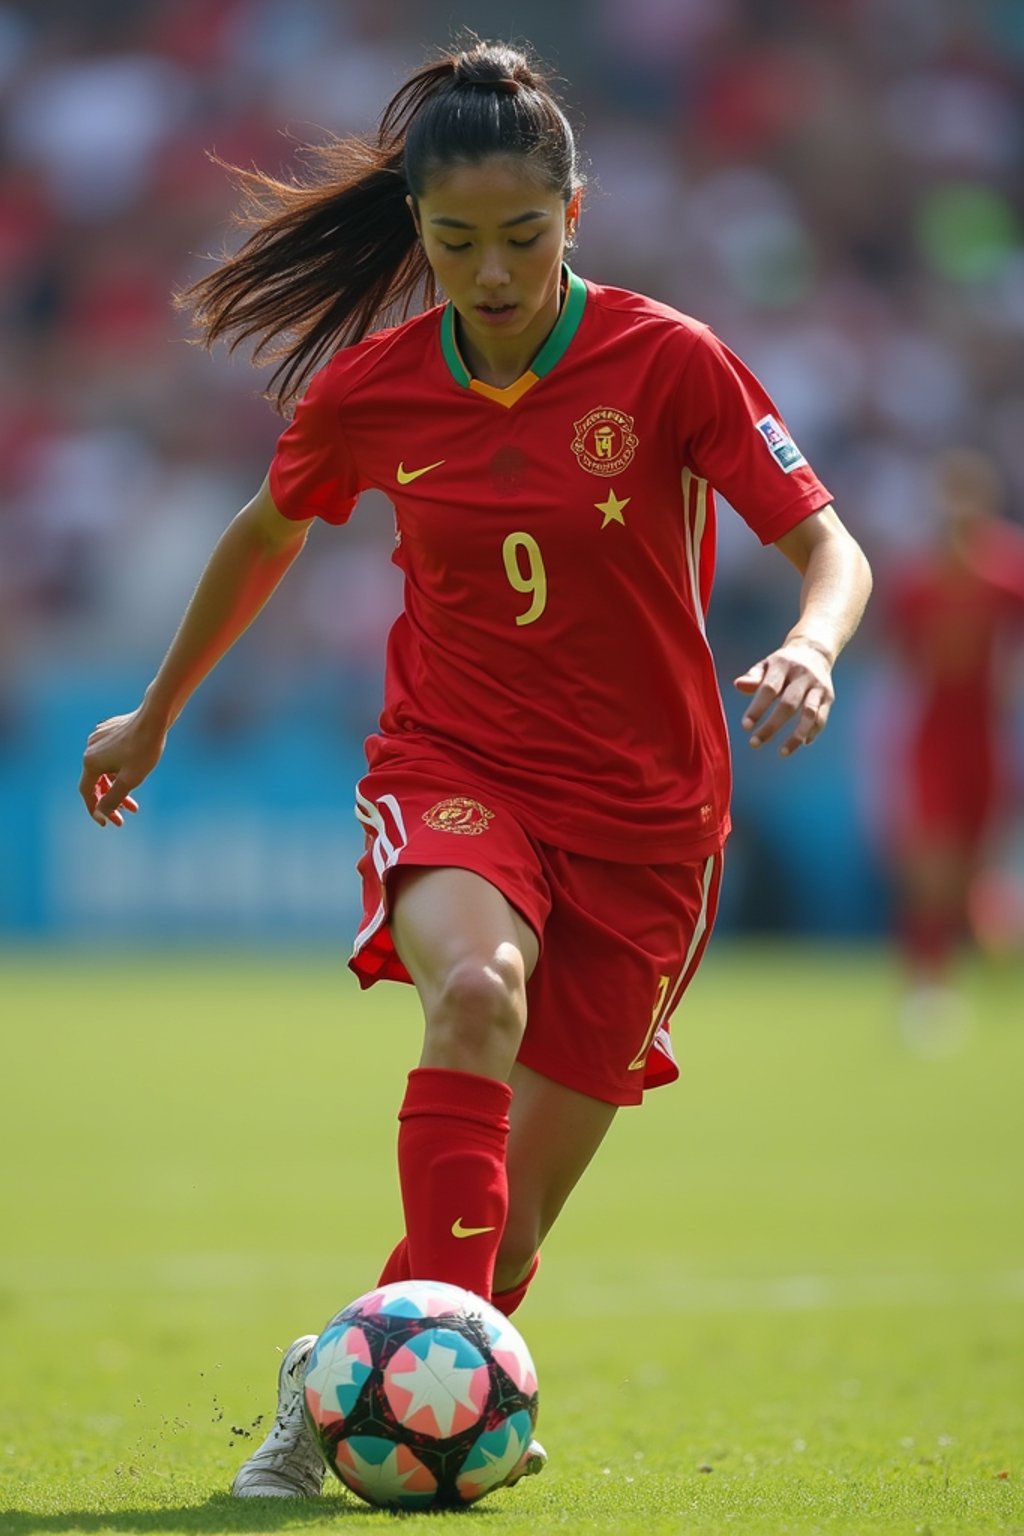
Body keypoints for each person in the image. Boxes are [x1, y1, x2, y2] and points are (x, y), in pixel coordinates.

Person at [78, 40, 872, 1500]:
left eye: (520, 237)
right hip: (461, 767)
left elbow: (830, 545)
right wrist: (156, 711)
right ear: (418, 234)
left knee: (499, 1248)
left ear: (575, 215)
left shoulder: (670, 361)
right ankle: (385, 1423)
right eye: (455, 243)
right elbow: (266, 535)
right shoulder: (375, 391)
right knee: (475, 991)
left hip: (651, 822)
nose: (490, 272)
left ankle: (334, 1387)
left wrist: (815, 645)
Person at [881, 448, 1024, 1045]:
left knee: (973, 872)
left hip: (987, 738)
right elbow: (899, 661)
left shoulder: (1008, 575)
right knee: (932, 866)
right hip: (934, 737)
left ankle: (967, 964)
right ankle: (927, 988)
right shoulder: (916, 584)